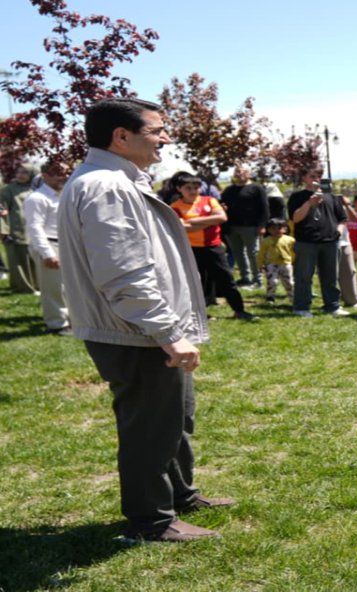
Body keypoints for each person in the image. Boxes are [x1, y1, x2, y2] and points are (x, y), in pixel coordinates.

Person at [58, 97, 233, 543]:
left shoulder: (115, 180)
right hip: (135, 333)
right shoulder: (106, 186)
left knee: (173, 418)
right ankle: (151, 520)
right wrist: (168, 333)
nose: (165, 139)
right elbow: (124, 271)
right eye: (156, 131)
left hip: (142, 329)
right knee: (149, 427)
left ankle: (179, 496)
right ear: (122, 137)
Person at [169, 172, 255, 321]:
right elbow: (182, 228)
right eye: (188, 188)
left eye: (196, 187)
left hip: (213, 247)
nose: (192, 191)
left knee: (226, 279)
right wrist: (209, 221)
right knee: (196, 283)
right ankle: (200, 314)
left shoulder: (209, 200)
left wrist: (193, 221)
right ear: (179, 189)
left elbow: (222, 217)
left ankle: (239, 310)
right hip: (191, 249)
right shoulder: (175, 207)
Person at [288, 168, 355, 317]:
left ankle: (332, 306)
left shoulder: (331, 197)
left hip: (330, 242)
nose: (316, 179)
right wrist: (309, 203)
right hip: (306, 242)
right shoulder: (297, 197)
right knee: (304, 276)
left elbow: (342, 219)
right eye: (312, 176)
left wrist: (338, 231)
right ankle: (302, 308)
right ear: (304, 178)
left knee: (330, 277)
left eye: (319, 176)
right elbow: (295, 218)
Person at [24, 161, 71, 333]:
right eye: (58, 172)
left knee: (68, 287)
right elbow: (34, 228)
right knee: (53, 289)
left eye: (66, 172)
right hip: (49, 246)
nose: (64, 176)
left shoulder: (65, 195)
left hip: (66, 245)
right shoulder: (37, 198)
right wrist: (47, 254)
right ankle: (57, 324)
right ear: (45, 176)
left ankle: (70, 319)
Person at [220, 164, 269, 288]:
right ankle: (245, 278)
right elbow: (221, 205)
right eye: (237, 171)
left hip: (251, 226)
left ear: (249, 174)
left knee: (253, 253)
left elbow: (264, 208)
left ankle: (257, 280)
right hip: (231, 226)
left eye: (242, 171)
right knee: (238, 253)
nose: (239, 173)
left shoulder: (257, 188)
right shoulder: (229, 190)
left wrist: (262, 225)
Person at [0, 163, 39, 293]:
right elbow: (1, 209)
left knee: (35, 259)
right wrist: (3, 230)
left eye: (25, 172)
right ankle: (22, 287)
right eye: (19, 172)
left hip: (34, 229)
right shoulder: (8, 189)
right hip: (16, 229)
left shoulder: (37, 188)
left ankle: (37, 285)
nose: (20, 175)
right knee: (18, 260)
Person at [256, 218, 295, 302]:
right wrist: (260, 264)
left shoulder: (290, 240)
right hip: (271, 264)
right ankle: (270, 297)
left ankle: (292, 297)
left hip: (286, 264)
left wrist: (294, 261)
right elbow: (261, 253)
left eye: (279, 228)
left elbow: (293, 252)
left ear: (285, 229)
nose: (277, 230)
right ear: (268, 230)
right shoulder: (266, 241)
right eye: (273, 228)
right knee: (272, 281)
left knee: (289, 282)